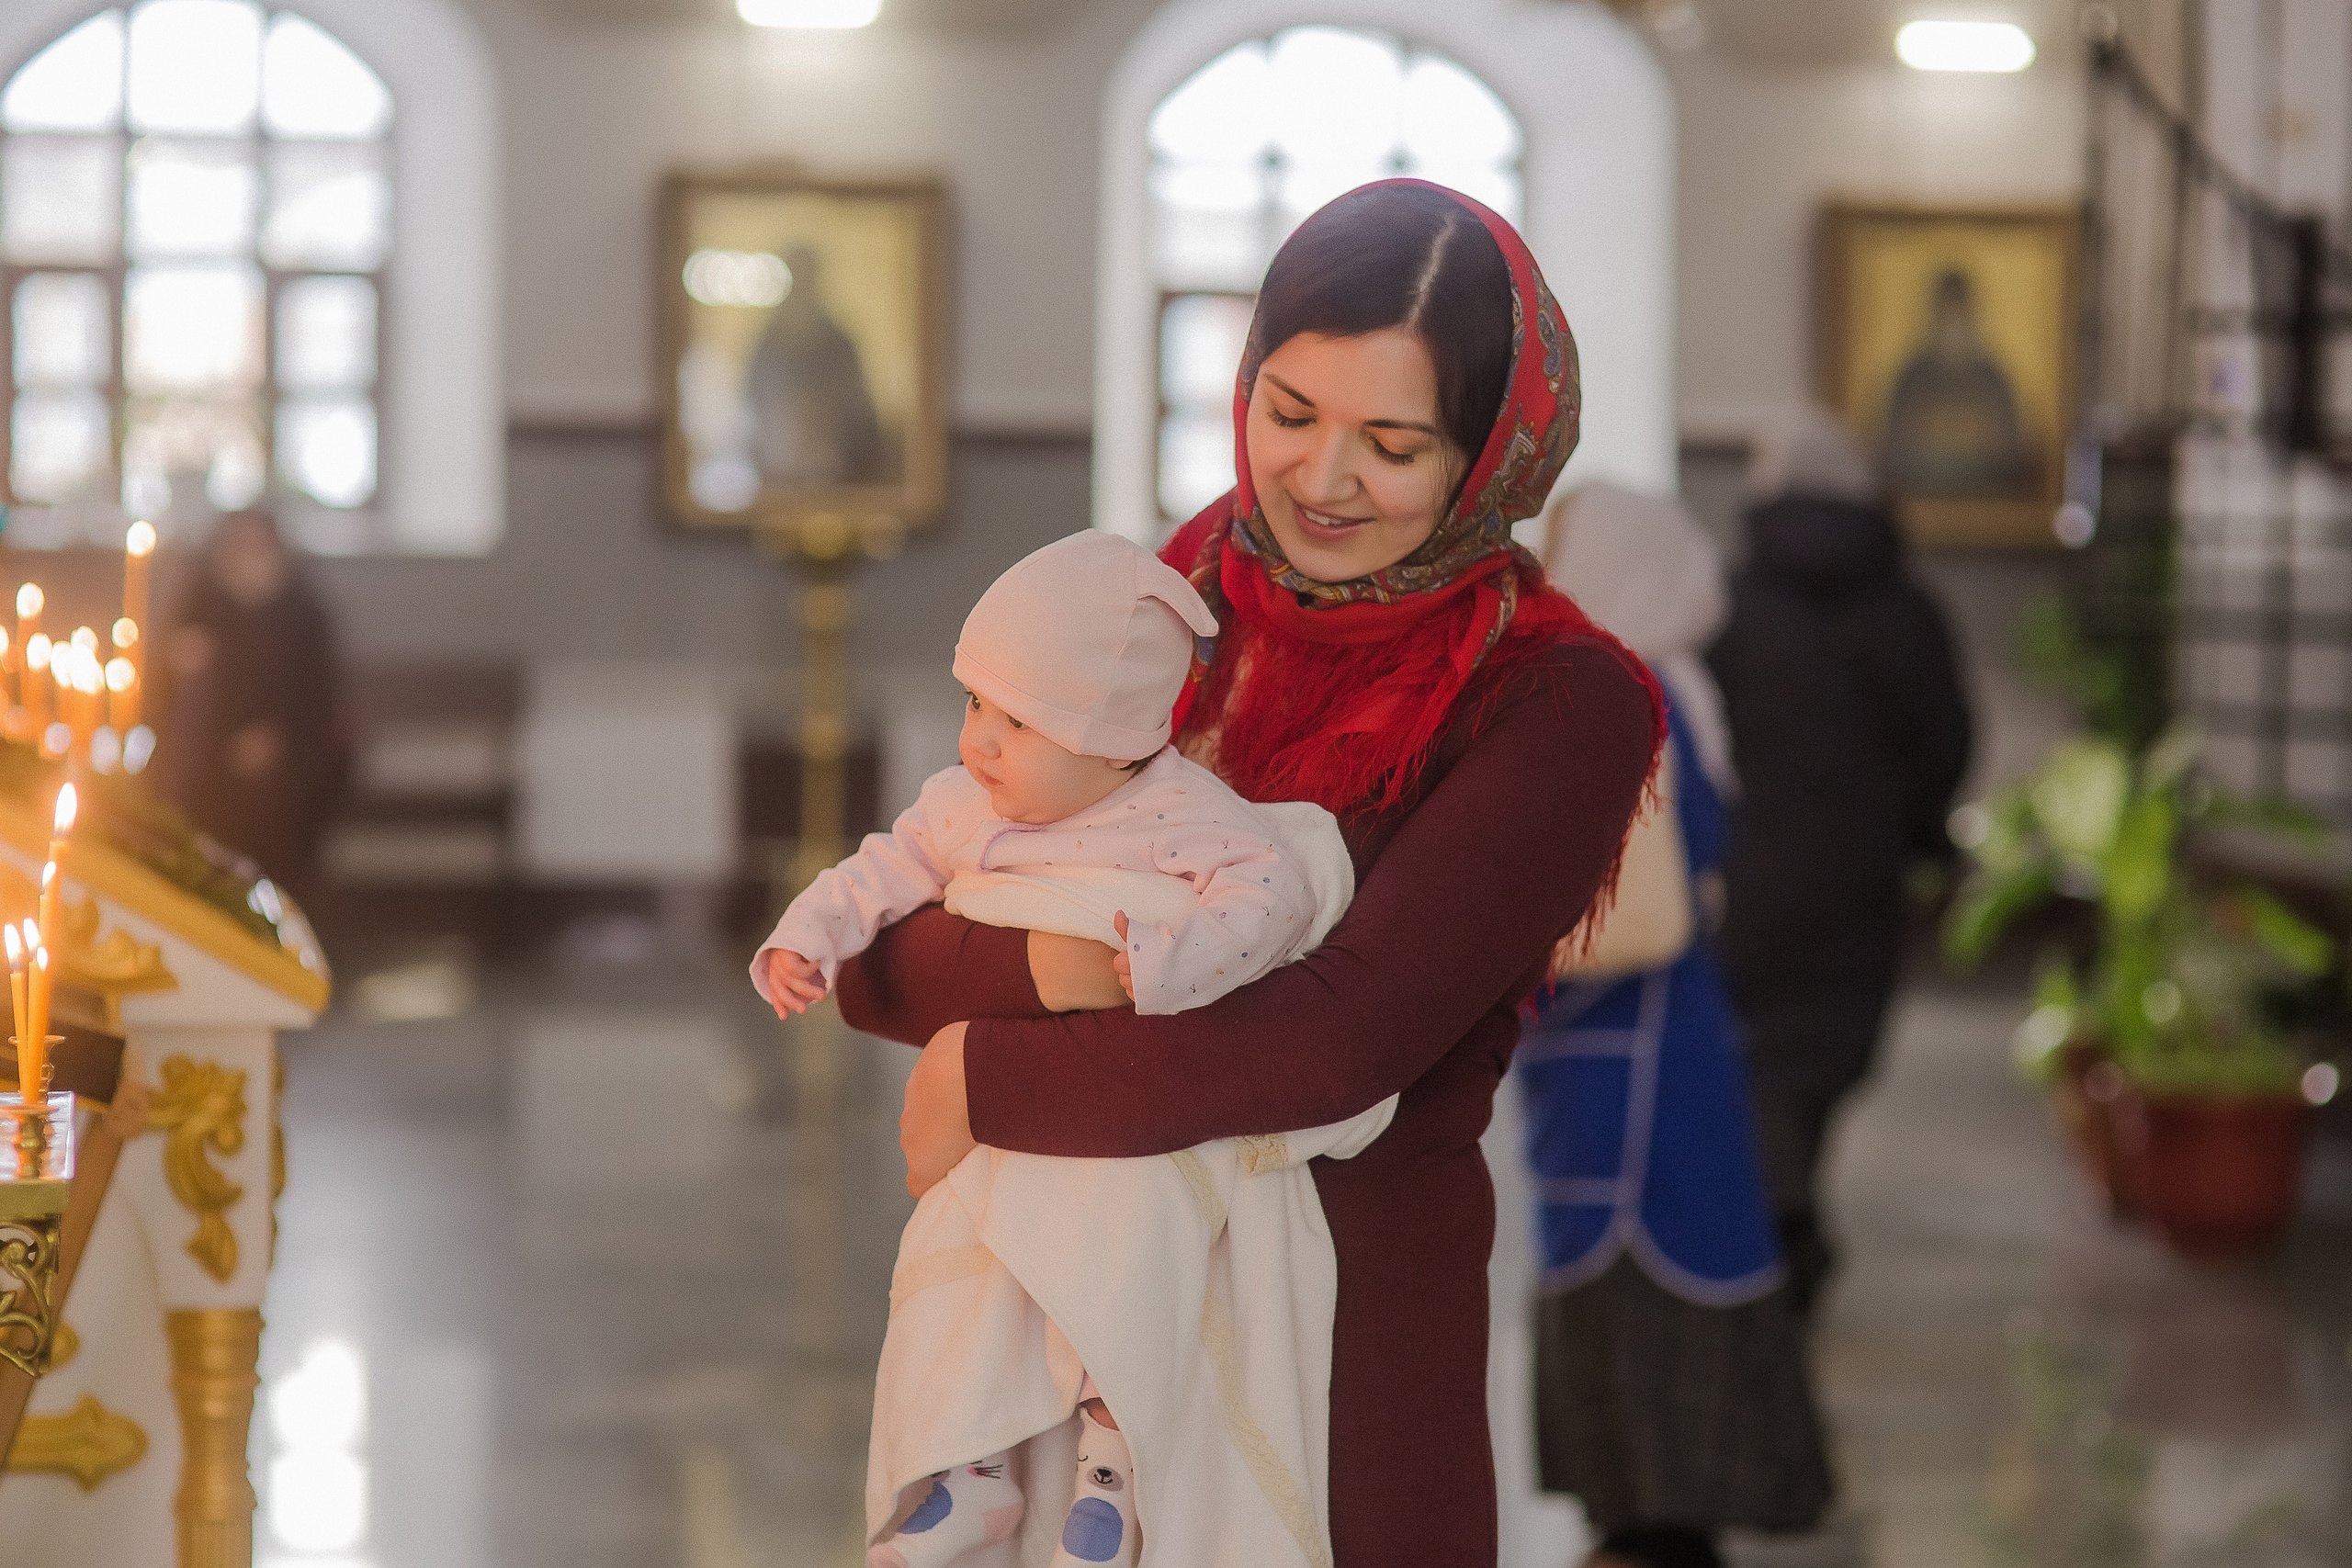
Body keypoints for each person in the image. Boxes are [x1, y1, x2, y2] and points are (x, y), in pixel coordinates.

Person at [836, 179, 1662, 1565]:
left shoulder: (1557, 698)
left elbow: (1348, 1032)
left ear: (1491, 458)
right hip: (1073, 1301)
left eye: (1393, 443)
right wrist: (1060, 966)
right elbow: (897, 940)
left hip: (1347, 1325)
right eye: (1289, 414)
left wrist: (992, 1072)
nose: (1321, 479)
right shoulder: (1169, 605)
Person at [751, 529, 1377, 1568]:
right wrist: (803, 936)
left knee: (1121, 1267)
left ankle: (1110, 1473)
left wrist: (1170, 959)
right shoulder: (963, 805)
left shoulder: (1178, 813)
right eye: (975, 707)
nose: (980, 746)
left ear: (1120, 742)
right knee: (971, 1273)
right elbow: (880, 871)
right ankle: (973, 1469)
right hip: (1007, 1134)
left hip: (1126, 1126)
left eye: (1022, 723)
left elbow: (1271, 893)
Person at [1520, 483, 1833, 1568]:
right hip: (1649, 1051)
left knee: (1643, 1316)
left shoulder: (1622, 693)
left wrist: (1486, 951)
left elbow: (1645, 919)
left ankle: (1649, 1536)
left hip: (1631, 1070)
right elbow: (1698, 895)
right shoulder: (1678, 690)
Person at [1706, 410, 1973, 1317]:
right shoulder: (1908, 612)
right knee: (1817, 1058)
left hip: (1745, 876)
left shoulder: (1729, 604)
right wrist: (1921, 833)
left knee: (1755, 1053)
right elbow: (1944, 743)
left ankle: (1773, 1222)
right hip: (1860, 878)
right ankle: (1788, 1216)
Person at [154, 507, 345, 897]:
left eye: (257, 544)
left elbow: (319, 696)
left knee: (277, 819)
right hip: (209, 761)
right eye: (239, 544)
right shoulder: (201, 604)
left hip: (286, 767)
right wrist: (180, 663)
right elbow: (165, 685)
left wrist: (277, 740)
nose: (248, 555)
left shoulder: (305, 615)